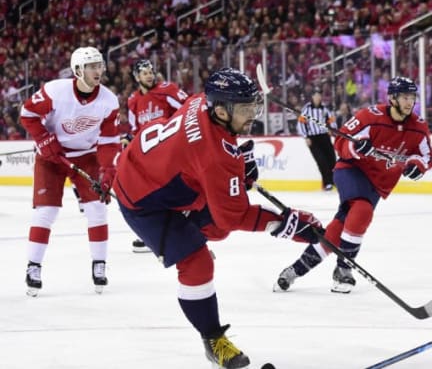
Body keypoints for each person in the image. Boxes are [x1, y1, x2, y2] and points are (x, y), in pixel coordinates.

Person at [113, 67, 322, 369]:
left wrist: (238, 164)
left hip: (156, 170)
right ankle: (213, 340)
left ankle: (186, 238)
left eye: (253, 106)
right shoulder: (213, 155)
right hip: (143, 200)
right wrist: (286, 223)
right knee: (198, 262)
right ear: (222, 111)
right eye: (245, 109)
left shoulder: (203, 102)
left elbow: (210, 149)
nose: (252, 114)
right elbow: (233, 215)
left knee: (216, 230)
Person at [272, 76, 432, 294]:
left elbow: (426, 156)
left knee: (338, 230)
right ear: (393, 98)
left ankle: (294, 271)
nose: (409, 102)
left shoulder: (418, 126)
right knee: (362, 209)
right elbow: (341, 141)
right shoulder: (370, 116)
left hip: (379, 184)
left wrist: (417, 166)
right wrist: (358, 148)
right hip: (351, 170)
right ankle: (343, 269)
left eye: (412, 97)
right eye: (404, 97)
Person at [19, 46, 120, 296]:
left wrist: (108, 172)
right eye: (92, 66)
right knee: (46, 211)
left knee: (97, 208)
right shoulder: (56, 91)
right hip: (51, 158)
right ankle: (33, 266)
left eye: (100, 65)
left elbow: (108, 142)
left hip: (86, 156)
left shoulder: (108, 100)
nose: (99, 70)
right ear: (78, 70)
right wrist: (44, 140)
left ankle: (99, 264)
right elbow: (27, 114)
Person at [126, 59, 189, 253]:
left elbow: (190, 107)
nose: (150, 75)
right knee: (149, 193)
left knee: (172, 190)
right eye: (145, 73)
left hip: (171, 151)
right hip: (150, 155)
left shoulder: (166, 90)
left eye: (151, 71)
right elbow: (134, 129)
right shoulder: (133, 101)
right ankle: (154, 232)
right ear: (137, 77)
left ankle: (180, 229)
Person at [298, 86, 337, 191]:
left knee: (331, 159)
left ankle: (335, 181)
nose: (318, 97)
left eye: (319, 95)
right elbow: (301, 123)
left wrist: (332, 129)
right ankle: (327, 183)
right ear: (312, 96)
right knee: (321, 161)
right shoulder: (306, 109)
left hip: (324, 137)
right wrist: (305, 137)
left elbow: (331, 120)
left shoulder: (325, 109)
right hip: (313, 139)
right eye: (316, 95)